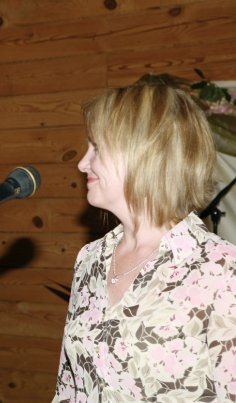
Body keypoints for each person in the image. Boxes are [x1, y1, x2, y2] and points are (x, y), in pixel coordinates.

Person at [53, 75, 236, 402]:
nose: (82, 163)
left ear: (144, 153)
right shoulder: (90, 260)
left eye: (96, 148)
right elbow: (69, 390)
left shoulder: (221, 272)